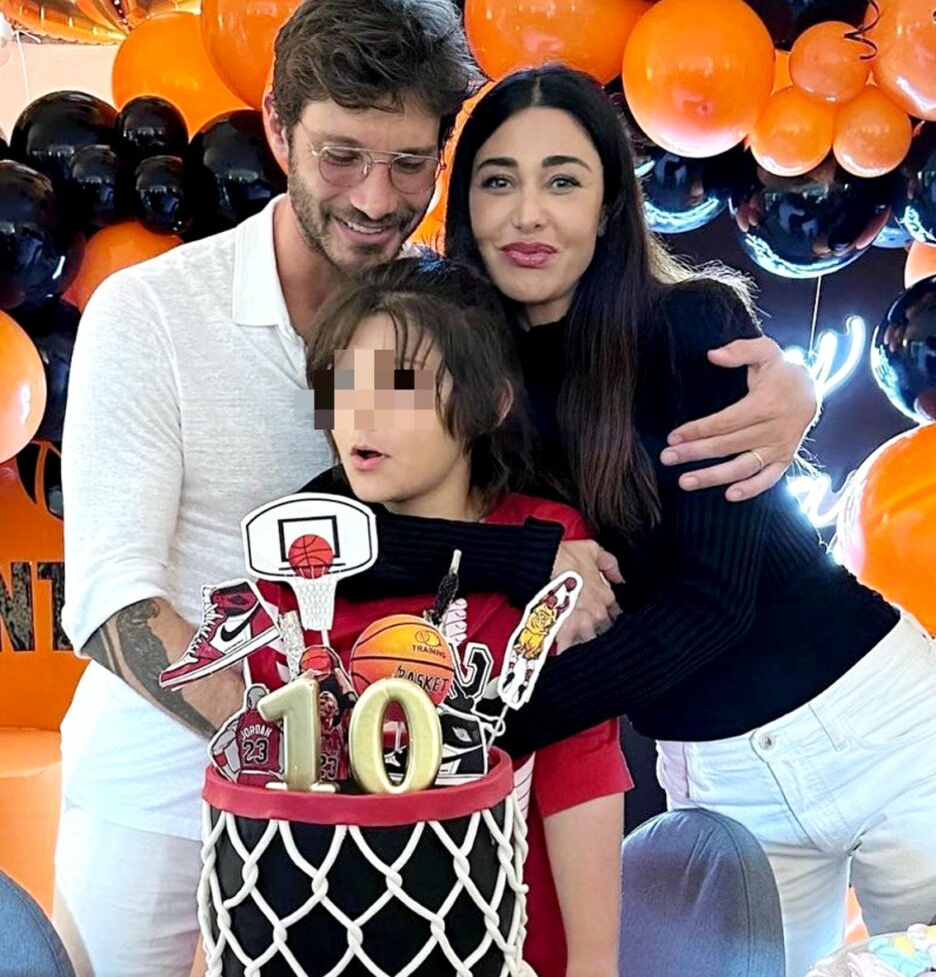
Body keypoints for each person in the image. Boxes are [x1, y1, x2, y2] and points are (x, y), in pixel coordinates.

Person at [58, 0, 814, 977]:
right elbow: (113, 603)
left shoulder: (456, 317)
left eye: (409, 162)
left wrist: (784, 383)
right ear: (277, 126)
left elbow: (609, 342)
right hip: (162, 795)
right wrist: (309, 757)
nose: (376, 200)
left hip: (412, 800)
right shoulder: (151, 313)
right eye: (340, 156)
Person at [319, 64, 936, 977]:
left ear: (610, 206)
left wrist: (484, 735)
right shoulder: (458, 372)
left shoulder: (691, 322)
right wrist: (529, 555)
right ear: (465, 204)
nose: (529, 214)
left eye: (564, 180)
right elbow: (324, 536)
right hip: (720, 785)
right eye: (499, 180)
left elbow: (714, 602)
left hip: (882, 722)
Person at [260, 255, 631, 977]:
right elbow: (264, 788)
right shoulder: (301, 555)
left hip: (503, 940)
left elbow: (580, 766)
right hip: (323, 939)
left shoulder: (556, 546)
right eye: (343, 384)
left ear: (489, 405)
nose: (359, 416)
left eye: (398, 387)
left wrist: (595, 962)